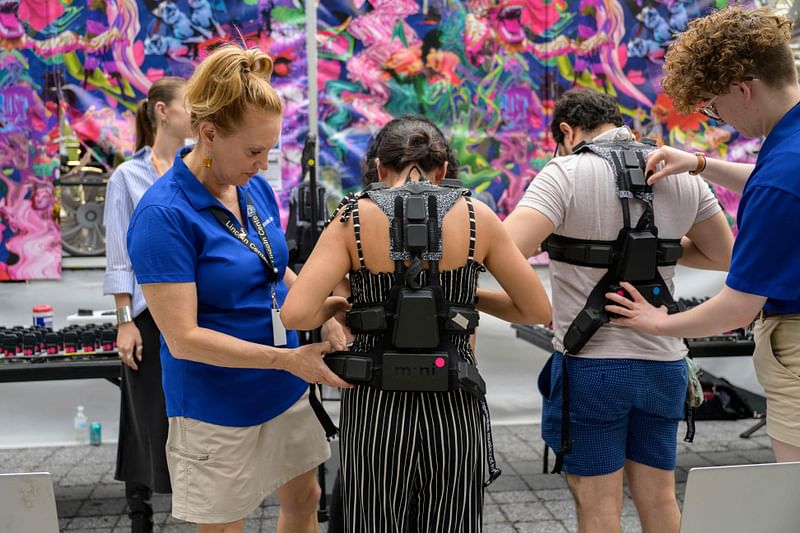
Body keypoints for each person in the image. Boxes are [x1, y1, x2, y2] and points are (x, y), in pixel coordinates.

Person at [281, 116, 552, 532]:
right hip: (453, 400)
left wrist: (341, 302)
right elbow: (535, 309)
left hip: (375, 402)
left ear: (379, 168)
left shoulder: (352, 218)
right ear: (442, 170)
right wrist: (459, 300)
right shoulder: (478, 216)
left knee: (373, 521)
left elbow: (296, 314)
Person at [126, 43, 350, 533]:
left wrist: (321, 313)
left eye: (270, 149)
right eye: (254, 150)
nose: (264, 163)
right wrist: (286, 358)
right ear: (208, 134)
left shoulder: (252, 187)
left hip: (285, 384)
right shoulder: (163, 217)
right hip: (216, 403)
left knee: (305, 498)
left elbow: (274, 270)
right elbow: (183, 337)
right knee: (225, 524)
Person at [503, 88, 734, 533]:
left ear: (566, 131)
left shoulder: (563, 173)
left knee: (598, 510)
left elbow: (507, 249)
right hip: (664, 364)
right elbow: (723, 255)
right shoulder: (680, 173)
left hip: (591, 367)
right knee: (662, 500)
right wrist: (655, 251)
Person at [606, 7, 800, 464]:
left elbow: (737, 306)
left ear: (742, 89)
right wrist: (700, 163)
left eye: (714, 106)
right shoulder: (788, 153)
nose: (718, 117)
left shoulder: (780, 180)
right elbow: (773, 181)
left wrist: (658, 323)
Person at [103, 75, 189, 533]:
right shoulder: (127, 177)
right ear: (162, 111)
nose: (195, 112)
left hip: (195, 310)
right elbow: (118, 256)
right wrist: (124, 322)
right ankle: (140, 515)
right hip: (145, 316)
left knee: (194, 409)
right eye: (188, 105)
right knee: (143, 415)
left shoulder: (200, 170)